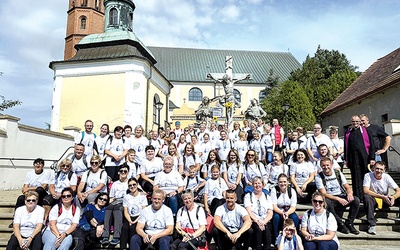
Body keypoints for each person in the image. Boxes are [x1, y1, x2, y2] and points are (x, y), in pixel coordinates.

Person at [315, 157, 360, 235]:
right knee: (326, 202)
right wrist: (338, 199)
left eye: (327, 165)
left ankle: (350, 222)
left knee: (356, 200)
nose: (326, 167)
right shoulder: (319, 177)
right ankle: (340, 224)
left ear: (331, 165)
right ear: (321, 166)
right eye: (323, 166)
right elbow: (324, 193)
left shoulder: (338, 173)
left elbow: (347, 187)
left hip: (341, 195)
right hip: (330, 198)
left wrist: (349, 194)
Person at [363, 161, 400, 235]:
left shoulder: (387, 177)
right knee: (367, 198)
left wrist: (393, 197)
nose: (379, 171)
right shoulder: (368, 175)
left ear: (384, 170)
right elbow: (366, 190)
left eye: (381, 169)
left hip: (385, 200)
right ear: (373, 168)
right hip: (374, 199)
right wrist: (382, 196)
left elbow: (398, 190)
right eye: (377, 168)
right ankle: (372, 224)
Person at [344, 115, 375, 201]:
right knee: (354, 177)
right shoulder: (348, 132)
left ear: (360, 122)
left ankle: (365, 195)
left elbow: (372, 145)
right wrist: (346, 159)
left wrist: (372, 158)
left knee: (364, 176)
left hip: (364, 158)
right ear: (351, 122)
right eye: (353, 122)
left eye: (357, 121)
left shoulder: (366, 131)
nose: (355, 123)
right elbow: (345, 146)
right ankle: (357, 196)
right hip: (352, 158)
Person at [12, 158, 51, 224]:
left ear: (43, 166)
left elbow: (43, 187)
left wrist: (29, 189)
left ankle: (35, 208)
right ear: (34, 165)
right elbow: (24, 188)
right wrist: (27, 193)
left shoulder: (46, 173)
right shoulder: (29, 174)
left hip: (42, 194)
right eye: (36, 163)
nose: (38, 165)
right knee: (21, 198)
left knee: (39, 189)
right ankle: (15, 220)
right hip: (31, 194)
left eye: (40, 164)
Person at [101, 164, 130, 246]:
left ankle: (117, 236)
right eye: (121, 171)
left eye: (125, 171)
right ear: (118, 172)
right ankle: (105, 235)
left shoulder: (130, 182)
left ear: (128, 172)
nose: (123, 172)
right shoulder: (115, 184)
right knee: (109, 208)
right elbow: (111, 197)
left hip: (125, 202)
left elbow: (139, 192)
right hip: (116, 201)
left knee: (117, 208)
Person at [244, 177, 273, 250]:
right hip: (254, 220)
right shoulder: (248, 196)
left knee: (266, 228)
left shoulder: (267, 197)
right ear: (252, 185)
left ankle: (267, 248)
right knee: (257, 228)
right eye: (255, 183)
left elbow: (270, 212)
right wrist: (257, 221)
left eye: (259, 183)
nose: (257, 185)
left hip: (265, 220)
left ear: (263, 185)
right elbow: (249, 211)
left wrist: (264, 221)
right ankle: (257, 248)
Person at [121, 178, 148, 249]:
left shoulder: (142, 196)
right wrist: (130, 220)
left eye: (134, 184)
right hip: (129, 217)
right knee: (124, 228)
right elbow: (125, 211)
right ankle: (123, 248)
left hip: (139, 217)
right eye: (130, 185)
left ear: (137, 185)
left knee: (133, 228)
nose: (132, 186)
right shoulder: (126, 197)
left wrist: (134, 221)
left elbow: (144, 211)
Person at [271, 174, 298, 243]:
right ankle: (276, 237)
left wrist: (287, 213)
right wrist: (282, 213)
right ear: (277, 182)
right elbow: (274, 206)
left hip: (289, 210)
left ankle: (295, 236)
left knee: (294, 217)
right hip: (278, 210)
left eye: (284, 182)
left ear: (288, 182)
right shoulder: (274, 190)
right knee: (276, 217)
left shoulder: (292, 191)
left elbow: (293, 206)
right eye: (280, 182)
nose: (283, 184)